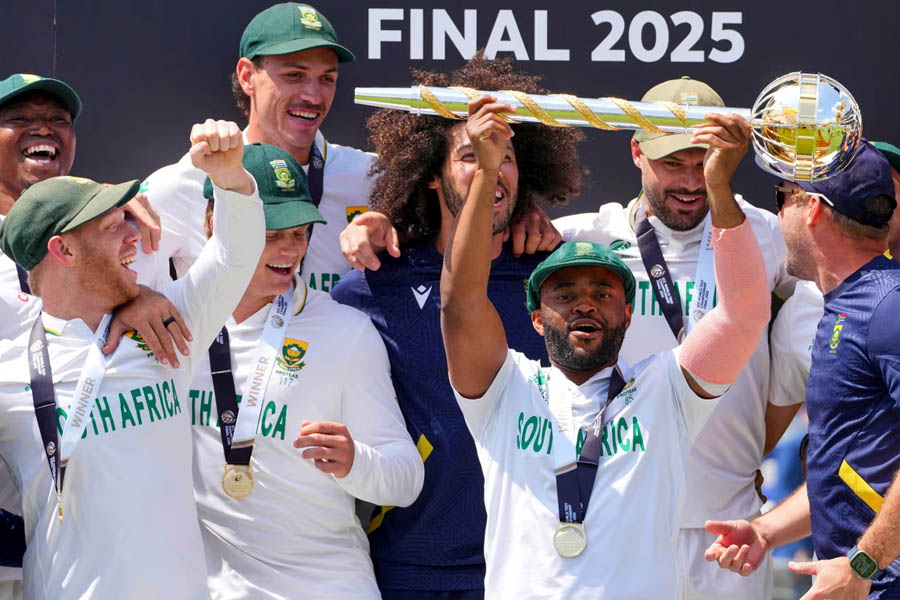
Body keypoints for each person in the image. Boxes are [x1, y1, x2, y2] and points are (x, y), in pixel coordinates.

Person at [440, 94, 769, 598]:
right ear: (535, 318)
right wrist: (487, 174)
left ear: (629, 314)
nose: (584, 305)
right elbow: (460, 304)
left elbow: (743, 313)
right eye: (564, 295)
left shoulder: (665, 390)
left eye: (603, 293)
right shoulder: (506, 390)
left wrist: (719, 186)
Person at [331, 55, 583, 599]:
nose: (495, 168)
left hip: (529, 564)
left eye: (506, 156)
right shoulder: (371, 288)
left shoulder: (555, 282)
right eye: (472, 155)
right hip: (405, 565)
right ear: (430, 174)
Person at [553, 76, 795, 599]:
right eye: (672, 163)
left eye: (703, 162)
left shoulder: (767, 234)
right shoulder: (585, 237)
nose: (690, 182)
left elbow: (842, 291)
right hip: (619, 521)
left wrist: (765, 434)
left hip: (730, 526)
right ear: (637, 152)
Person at [0, 119, 264, 598]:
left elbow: (236, 255)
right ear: (63, 250)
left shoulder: (168, 328)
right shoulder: (10, 370)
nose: (132, 235)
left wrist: (230, 178)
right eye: (111, 226)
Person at [188, 143, 423, 599]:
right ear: (217, 222)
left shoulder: (344, 330)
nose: (291, 249)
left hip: (325, 586)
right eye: (272, 232)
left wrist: (356, 461)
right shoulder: (174, 322)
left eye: (300, 232)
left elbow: (406, 478)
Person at [705, 141, 900, 599]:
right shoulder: (849, 304)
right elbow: (851, 471)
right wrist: (765, 531)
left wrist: (862, 563)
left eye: (783, 197)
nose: (778, 214)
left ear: (812, 208)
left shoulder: (887, 307)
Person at [765, 141, 900, 453]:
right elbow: (760, 441)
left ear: (813, 207)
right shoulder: (806, 305)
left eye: (884, 188)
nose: (870, 200)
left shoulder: (889, 304)